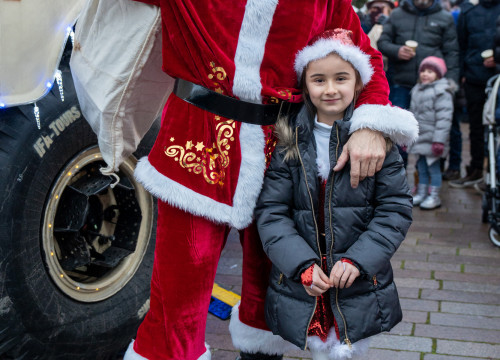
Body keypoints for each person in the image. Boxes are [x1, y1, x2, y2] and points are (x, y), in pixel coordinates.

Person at [122, 1, 419, 360]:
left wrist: (371, 124)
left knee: (274, 287)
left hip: (282, 152)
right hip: (195, 143)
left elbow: (363, 54)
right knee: (178, 294)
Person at [255, 29, 414, 360]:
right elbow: (272, 211)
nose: (330, 89)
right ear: (305, 85)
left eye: (341, 78)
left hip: (358, 285)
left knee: (348, 352)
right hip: (306, 284)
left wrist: (359, 259)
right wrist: (300, 264)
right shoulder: (289, 142)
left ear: (357, 83)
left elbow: (394, 210)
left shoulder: (378, 143)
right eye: (318, 80)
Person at [378, 0, 459, 166]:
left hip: (432, 87)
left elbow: (452, 51)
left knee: (434, 131)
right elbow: (383, 42)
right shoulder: (397, 14)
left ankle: (430, 177)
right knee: (397, 131)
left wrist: (451, 82)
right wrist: (397, 50)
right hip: (402, 81)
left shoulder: (445, 17)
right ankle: (397, 171)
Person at [450, 0, 500, 188]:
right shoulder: (469, 13)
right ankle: (477, 169)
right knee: (476, 128)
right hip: (473, 78)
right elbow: (461, 46)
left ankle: (494, 175)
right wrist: (462, 74)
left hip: (497, 78)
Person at [410, 56, 454, 209]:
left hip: (433, 139)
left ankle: (434, 196)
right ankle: (422, 193)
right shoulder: (417, 89)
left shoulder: (442, 92)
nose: (425, 74)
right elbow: (413, 114)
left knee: (434, 169)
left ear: (438, 74)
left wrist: (439, 141)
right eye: (423, 71)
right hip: (421, 137)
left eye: (430, 71)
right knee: (421, 167)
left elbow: (444, 119)